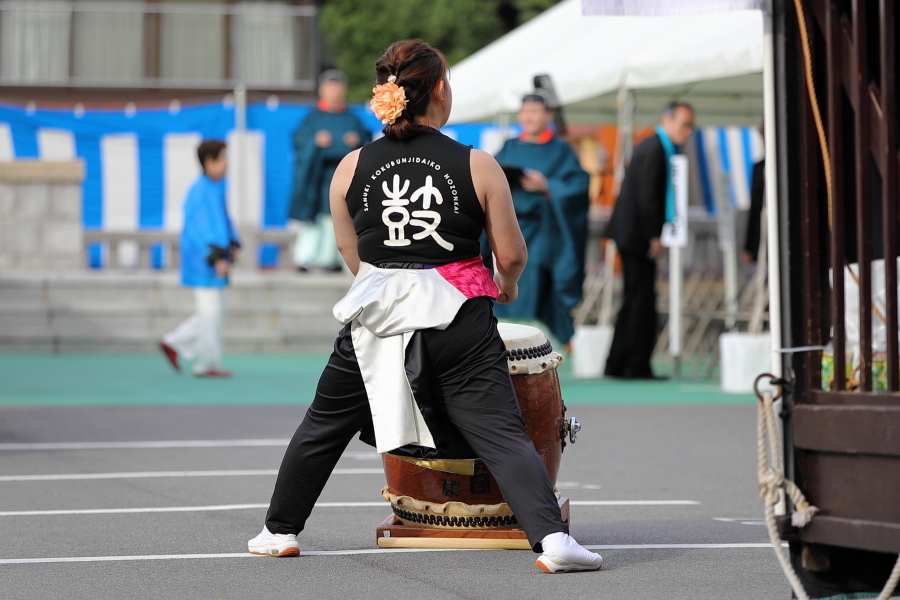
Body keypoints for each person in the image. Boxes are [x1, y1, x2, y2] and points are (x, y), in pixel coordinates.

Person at [248, 40, 602, 574]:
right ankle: (552, 541)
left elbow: (353, 252)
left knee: (324, 424)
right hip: (457, 310)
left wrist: (389, 292)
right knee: (501, 431)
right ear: (438, 90)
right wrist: (501, 286)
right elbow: (511, 253)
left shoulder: (349, 166)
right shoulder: (478, 164)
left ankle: (278, 531)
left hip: (375, 314)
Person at [483, 93, 590, 347]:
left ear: (548, 115)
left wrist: (547, 185)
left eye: (535, 111)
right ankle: (503, 345)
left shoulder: (561, 149)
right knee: (502, 278)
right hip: (507, 227)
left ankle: (541, 345)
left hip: (545, 231)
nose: (528, 116)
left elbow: (578, 185)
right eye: (525, 111)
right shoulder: (509, 146)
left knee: (537, 281)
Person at [603, 102, 695, 380]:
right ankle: (634, 365)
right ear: (667, 121)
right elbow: (648, 198)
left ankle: (618, 363)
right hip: (638, 235)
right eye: (684, 124)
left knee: (634, 300)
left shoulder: (651, 145)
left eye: (690, 126)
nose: (687, 131)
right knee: (641, 302)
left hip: (631, 233)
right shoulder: (656, 147)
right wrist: (655, 235)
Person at [159, 140, 239, 378]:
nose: (227, 164)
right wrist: (216, 257)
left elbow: (224, 221)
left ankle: (175, 343)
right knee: (210, 312)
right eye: (223, 158)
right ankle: (205, 363)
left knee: (211, 313)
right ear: (209, 161)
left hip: (211, 259)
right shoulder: (199, 190)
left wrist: (232, 243)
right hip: (203, 262)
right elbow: (199, 230)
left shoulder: (215, 187)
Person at [288, 69, 372, 272]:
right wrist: (315, 143)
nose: (335, 90)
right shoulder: (312, 118)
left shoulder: (352, 119)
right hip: (317, 180)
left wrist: (358, 141)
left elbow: (366, 141)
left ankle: (331, 260)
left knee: (337, 218)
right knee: (315, 220)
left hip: (344, 180)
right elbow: (300, 141)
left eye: (338, 86)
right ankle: (305, 258)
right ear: (321, 90)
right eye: (330, 86)